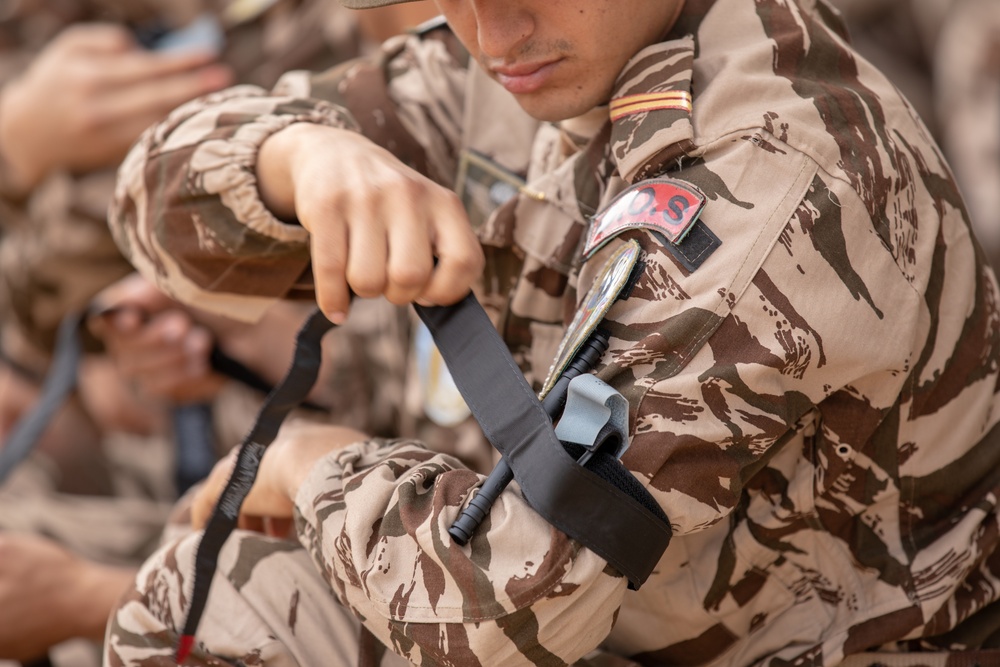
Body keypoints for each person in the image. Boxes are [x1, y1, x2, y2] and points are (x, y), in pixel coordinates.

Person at [103, 0, 1000, 665]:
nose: (490, 33)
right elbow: (146, 201)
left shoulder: (771, 180)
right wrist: (299, 159)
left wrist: (305, 462)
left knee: (206, 601)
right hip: (621, 627)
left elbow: (508, 608)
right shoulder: (557, 52)